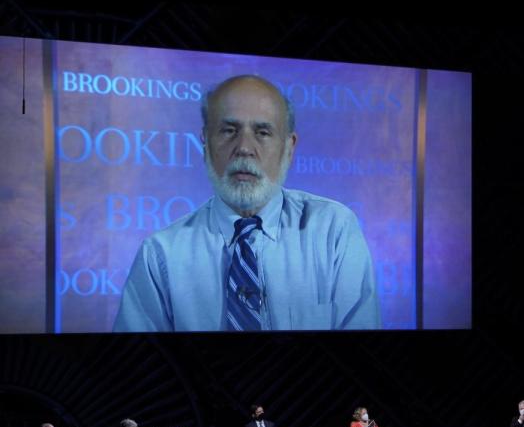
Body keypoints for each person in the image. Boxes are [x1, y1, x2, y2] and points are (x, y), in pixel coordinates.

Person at [114, 74, 379, 332]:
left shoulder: (333, 230)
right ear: (205, 142)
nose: (244, 147)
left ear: (289, 147)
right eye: (229, 131)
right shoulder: (161, 255)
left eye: (263, 132)